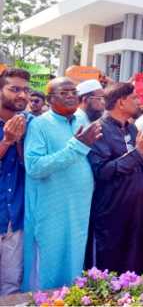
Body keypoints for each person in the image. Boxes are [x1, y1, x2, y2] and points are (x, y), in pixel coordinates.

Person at [23, 77, 102, 291]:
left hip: (79, 207)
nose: (70, 96)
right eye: (63, 92)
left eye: (73, 92)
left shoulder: (81, 122)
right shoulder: (39, 125)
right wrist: (75, 146)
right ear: (49, 99)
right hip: (51, 209)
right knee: (49, 260)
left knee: (74, 258)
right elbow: (35, 167)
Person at [86, 83, 143, 274]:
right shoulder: (98, 130)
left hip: (138, 205)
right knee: (112, 260)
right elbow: (103, 171)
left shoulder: (132, 129)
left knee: (137, 258)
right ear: (121, 102)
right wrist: (138, 153)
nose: (138, 101)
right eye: (134, 98)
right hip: (113, 207)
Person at [0, 68, 32, 295]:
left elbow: (32, 167)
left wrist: (19, 142)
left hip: (15, 217)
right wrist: (7, 141)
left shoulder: (33, 124)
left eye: (25, 90)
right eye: (14, 89)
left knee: (11, 285)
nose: (22, 95)